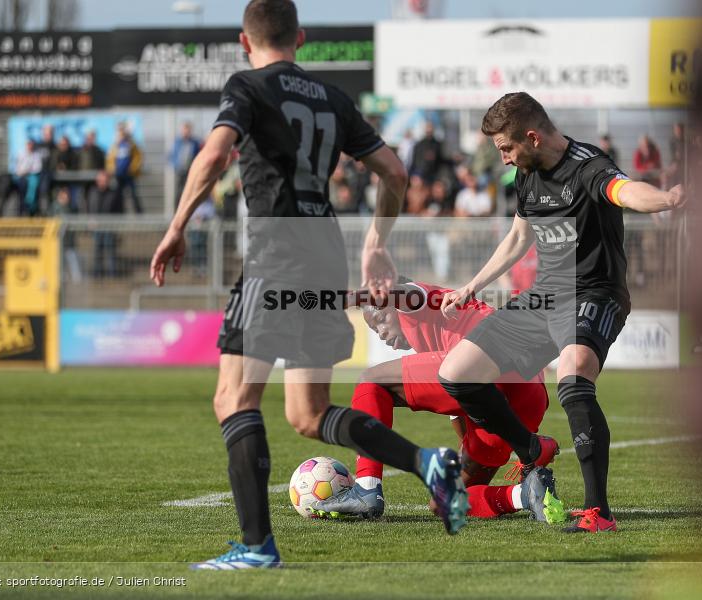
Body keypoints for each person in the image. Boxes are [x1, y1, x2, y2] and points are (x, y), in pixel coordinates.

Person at [149, 0, 469, 571]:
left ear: (245, 42)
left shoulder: (245, 87)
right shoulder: (334, 99)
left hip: (277, 254)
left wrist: (176, 227)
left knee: (233, 398)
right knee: (307, 413)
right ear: (299, 37)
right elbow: (394, 172)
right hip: (326, 255)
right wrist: (376, 242)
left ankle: (255, 549)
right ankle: (427, 463)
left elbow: (216, 153)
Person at [436, 92, 684, 534]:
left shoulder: (588, 166)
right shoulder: (527, 177)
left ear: (532, 137)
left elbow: (625, 191)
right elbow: (517, 239)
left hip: (594, 292)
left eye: (507, 149)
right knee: (457, 371)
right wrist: (473, 285)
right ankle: (530, 447)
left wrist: (666, 199)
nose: (505, 159)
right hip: (544, 296)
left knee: (572, 375)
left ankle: (598, 513)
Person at [311, 279, 564, 523]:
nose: (381, 334)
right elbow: (459, 408)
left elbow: (398, 293)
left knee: (370, 380)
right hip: (527, 398)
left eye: (380, 321)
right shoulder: (440, 332)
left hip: (487, 370)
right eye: (375, 330)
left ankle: (366, 488)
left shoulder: (416, 298)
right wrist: (469, 449)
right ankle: (526, 495)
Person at [106, 123, 144, 214]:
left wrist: (132, 168)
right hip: (119, 175)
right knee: (118, 195)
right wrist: (113, 169)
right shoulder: (115, 146)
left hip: (129, 175)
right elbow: (110, 159)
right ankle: (119, 213)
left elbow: (138, 157)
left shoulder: (131, 144)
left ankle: (139, 214)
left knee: (133, 195)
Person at [169, 122, 203, 207]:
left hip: (190, 171)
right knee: (178, 191)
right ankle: (176, 210)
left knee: (190, 191)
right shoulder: (177, 142)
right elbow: (172, 155)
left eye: (188, 130)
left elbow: (198, 155)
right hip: (179, 171)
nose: (186, 132)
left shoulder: (195, 143)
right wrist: (175, 165)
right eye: (184, 130)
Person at [14, 139, 43, 216]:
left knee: (33, 183)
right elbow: (17, 168)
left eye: (31, 144)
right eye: (28, 144)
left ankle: (30, 205)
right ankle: (22, 209)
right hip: (21, 177)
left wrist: (27, 171)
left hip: (32, 176)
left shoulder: (36, 155)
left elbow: (37, 168)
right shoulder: (21, 153)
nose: (30, 146)